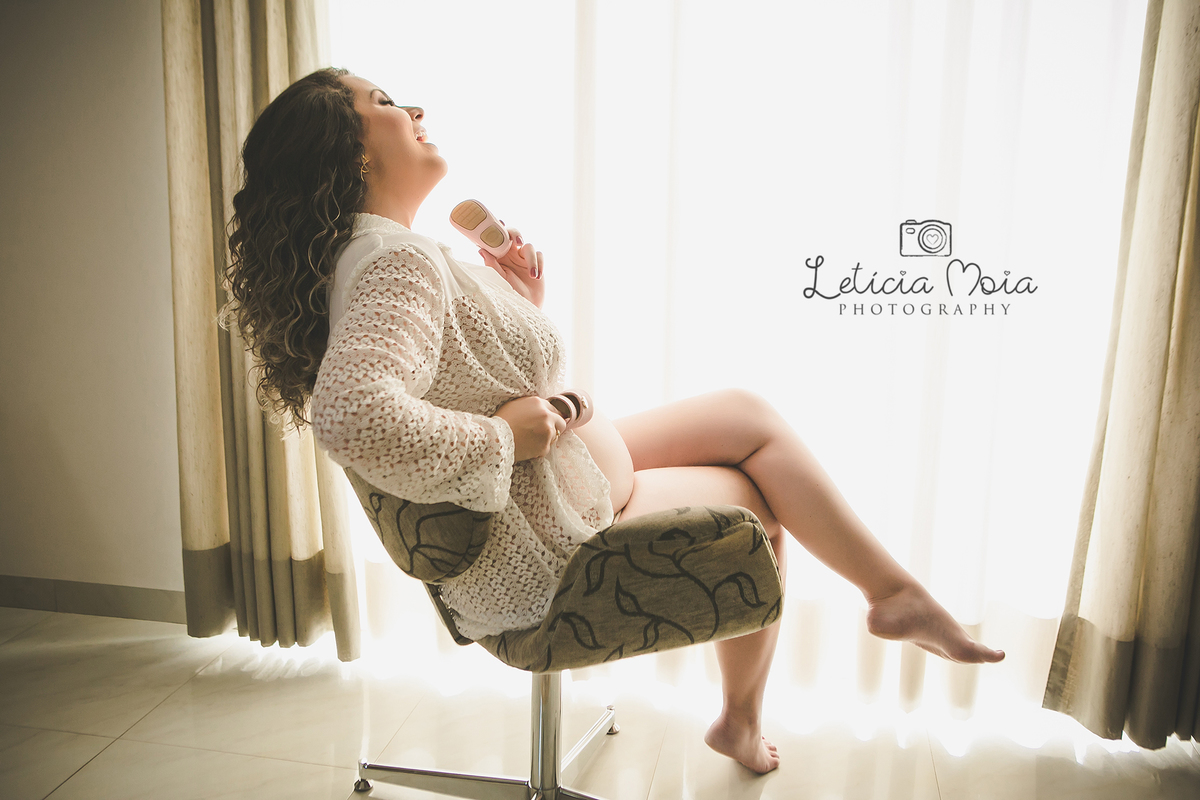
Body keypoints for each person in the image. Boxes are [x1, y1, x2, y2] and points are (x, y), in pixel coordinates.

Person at [223, 67, 1004, 775]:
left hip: (564, 481)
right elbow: (354, 417)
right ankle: (781, 686)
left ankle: (880, 605)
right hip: (550, 539)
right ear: (351, 152)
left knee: (748, 414)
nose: (415, 108)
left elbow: (462, 377)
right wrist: (508, 439)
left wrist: (518, 302)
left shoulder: (384, 253)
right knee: (759, 505)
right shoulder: (395, 261)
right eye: (386, 102)